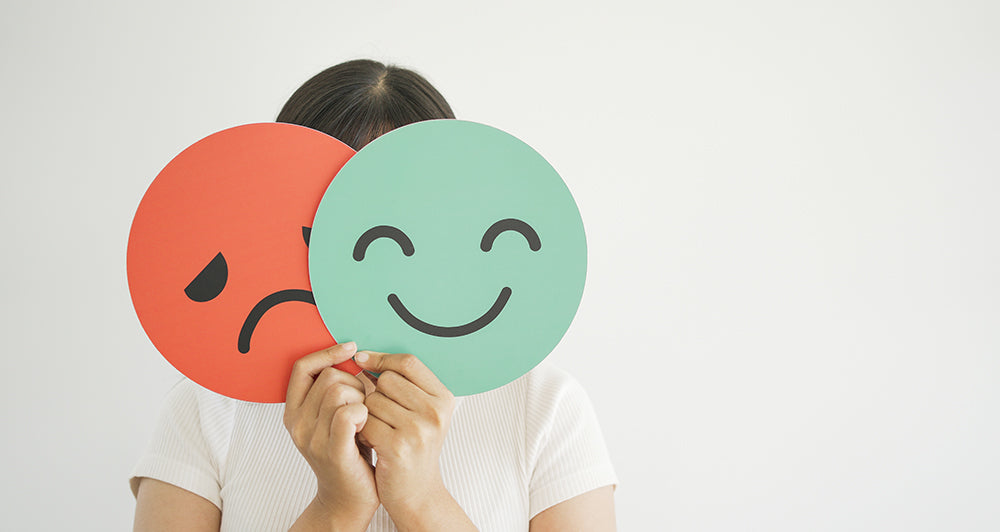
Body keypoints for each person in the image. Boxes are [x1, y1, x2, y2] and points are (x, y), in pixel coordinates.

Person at [130, 59, 617, 531]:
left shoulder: (544, 406)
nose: (364, 246)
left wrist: (421, 499)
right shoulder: (206, 410)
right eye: (328, 209)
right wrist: (336, 508)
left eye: (392, 200)